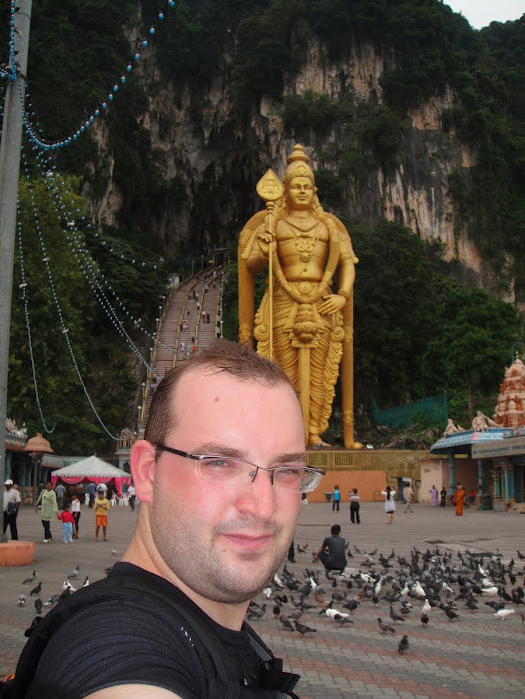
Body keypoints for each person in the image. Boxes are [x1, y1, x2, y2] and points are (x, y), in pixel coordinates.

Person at [17, 340, 320, 697]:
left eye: (286, 470)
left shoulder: (213, 631)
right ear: (148, 472)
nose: (264, 506)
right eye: (219, 463)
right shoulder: (115, 641)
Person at [239, 144, 360, 448]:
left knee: (320, 372)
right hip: (283, 300)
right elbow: (249, 263)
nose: (302, 191)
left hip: (322, 301)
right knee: (282, 371)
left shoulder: (329, 226)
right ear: (285, 190)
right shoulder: (273, 223)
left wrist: (343, 295)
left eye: (307, 186)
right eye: (296, 186)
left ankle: (314, 431)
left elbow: (347, 263)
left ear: (315, 190)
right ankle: (286, 435)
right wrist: (266, 248)